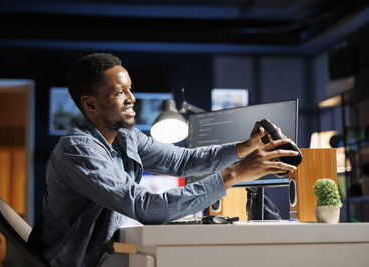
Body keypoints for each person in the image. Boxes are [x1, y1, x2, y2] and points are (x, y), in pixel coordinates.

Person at [28, 52, 298, 267]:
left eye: (130, 89)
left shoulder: (127, 137)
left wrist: (245, 147)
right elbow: (145, 207)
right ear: (90, 104)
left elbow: (182, 161)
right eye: (120, 92)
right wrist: (235, 174)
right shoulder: (78, 151)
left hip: (101, 254)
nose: (132, 99)